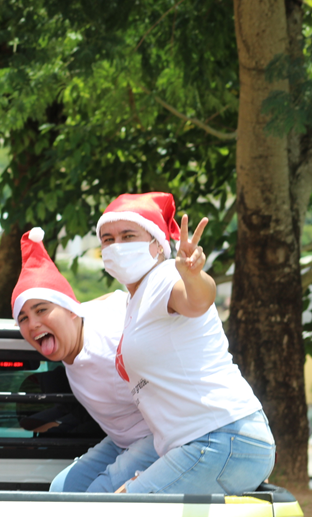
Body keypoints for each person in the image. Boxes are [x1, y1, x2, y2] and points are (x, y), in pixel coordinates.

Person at [96, 192, 274, 494]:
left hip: (221, 436)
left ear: (157, 244)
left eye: (128, 236)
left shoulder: (165, 277)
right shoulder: (134, 300)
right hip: (203, 443)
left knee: (120, 509)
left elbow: (197, 300)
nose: (117, 246)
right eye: (108, 239)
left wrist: (193, 276)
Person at [11, 227, 158, 493]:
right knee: (61, 490)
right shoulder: (74, 325)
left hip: (159, 438)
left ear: (71, 310)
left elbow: (130, 302)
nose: (33, 324)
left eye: (41, 310)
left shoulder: (113, 337)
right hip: (120, 441)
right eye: (23, 318)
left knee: (97, 496)